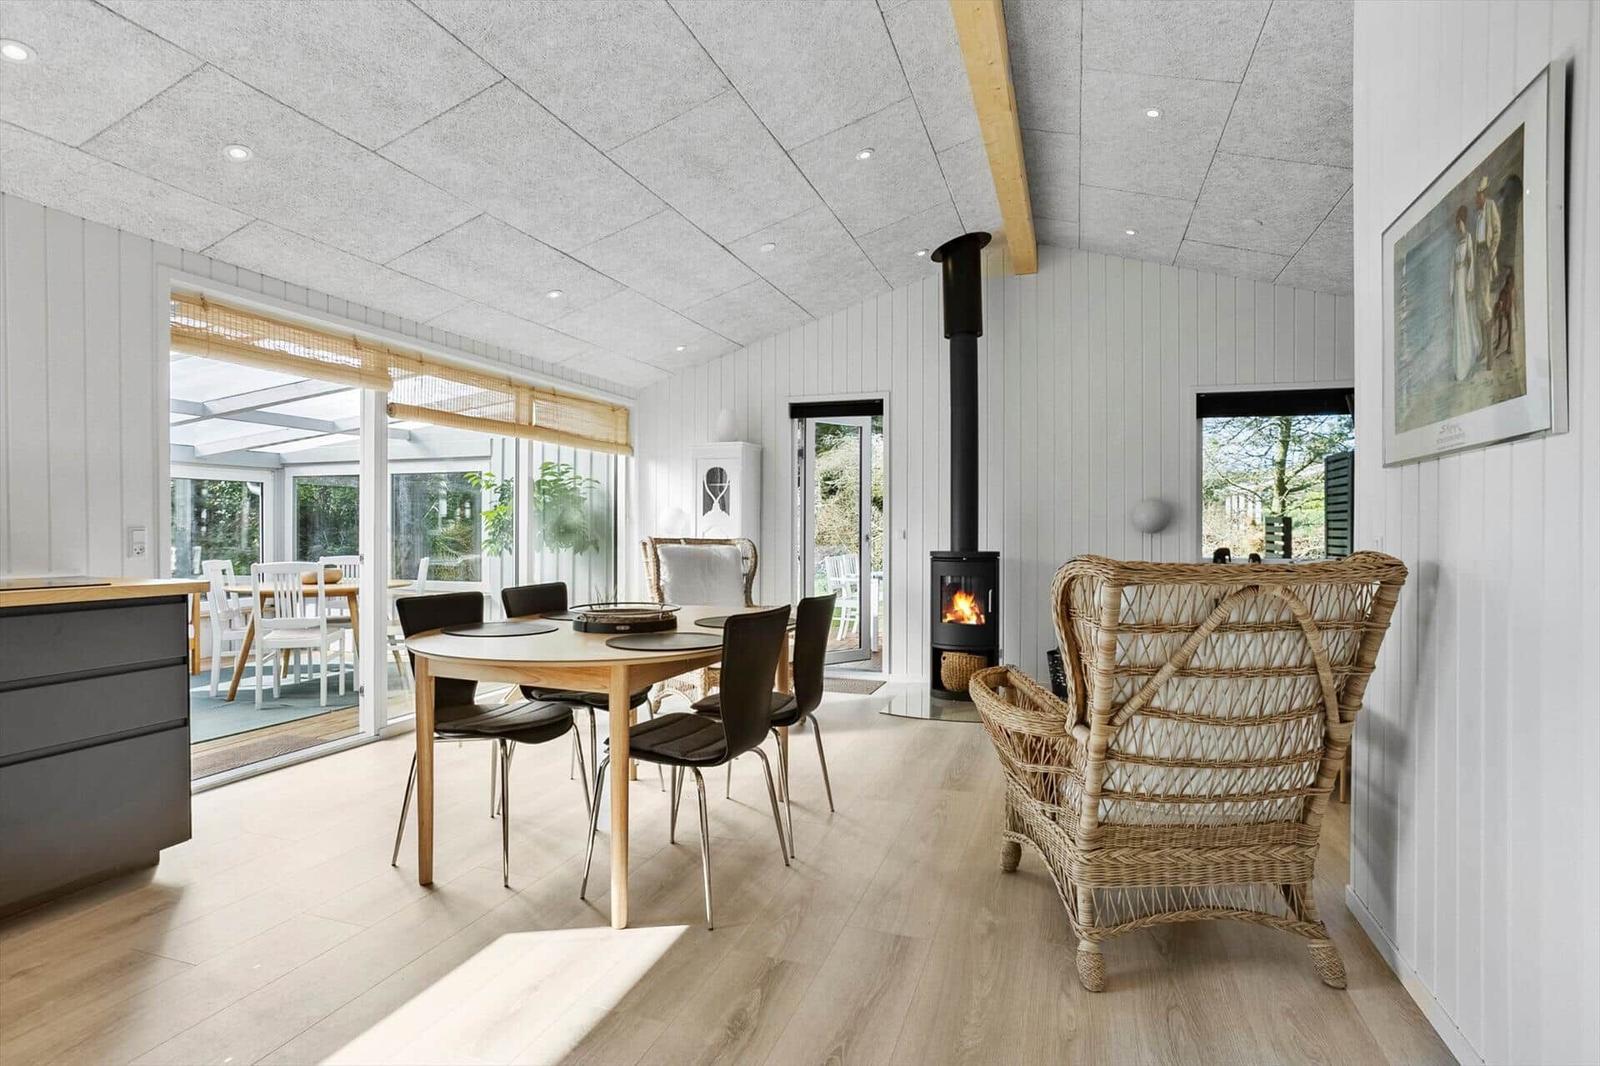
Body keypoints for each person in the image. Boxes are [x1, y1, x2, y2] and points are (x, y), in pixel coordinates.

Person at [1449, 204, 1481, 382]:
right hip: (1457, 282)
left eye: (1460, 223)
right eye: (1457, 224)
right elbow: (1452, 267)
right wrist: (1451, 288)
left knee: (1465, 317)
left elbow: (1471, 261)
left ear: (1464, 222)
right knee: (1459, 319)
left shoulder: (1468, 238)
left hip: (1464, 281)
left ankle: (1467, 358)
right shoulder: (1456, 244)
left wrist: (1469, 285)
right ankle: (1459, 362)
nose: (1458, 226)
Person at [1472, 175, 1502, 335]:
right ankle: (1485, 345)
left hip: (1486, 256)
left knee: (1485, 300)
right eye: (1477, 195)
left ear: (1484, 194)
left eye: (1479, 194)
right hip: (1479, 257)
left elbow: (1497, 231)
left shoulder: (1490, 206)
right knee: (1479, 301)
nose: (1477, 198)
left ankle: (1489, 351)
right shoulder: (1478, 215)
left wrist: (1491, 255)